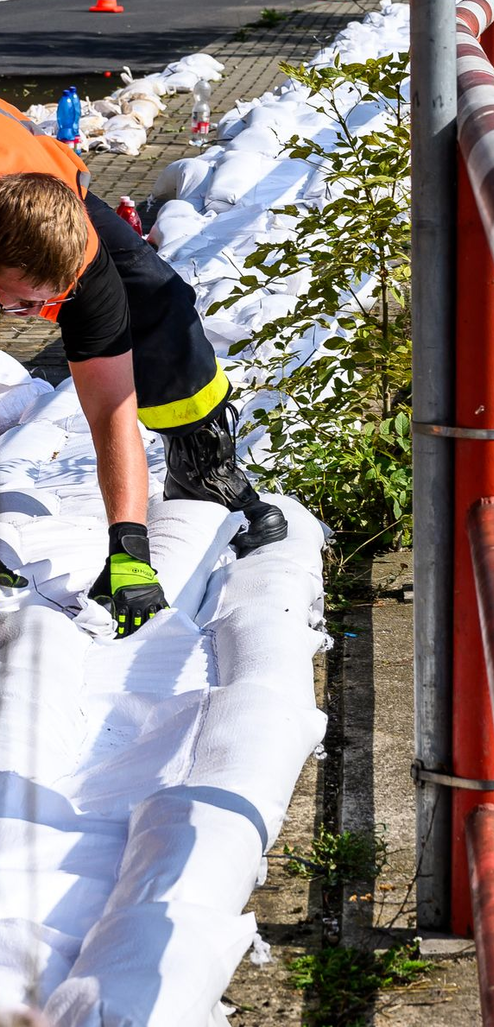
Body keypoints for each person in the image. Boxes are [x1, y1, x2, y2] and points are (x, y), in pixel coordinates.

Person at [0, 99, 287, 636]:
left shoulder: (82, 261)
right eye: (20, 306)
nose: (35, 319)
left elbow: (110, 404)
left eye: (47, 302)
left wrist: (128, 542)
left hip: (35, 177)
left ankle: (201, 464)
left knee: (159, 298)